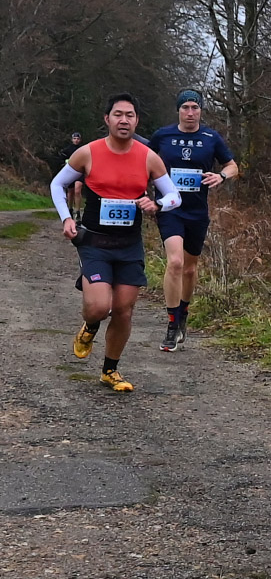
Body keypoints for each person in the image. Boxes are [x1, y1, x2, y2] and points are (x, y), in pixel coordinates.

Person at [50, 93, 181, 392]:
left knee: (123, 309)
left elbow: (175, 195)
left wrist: (157, 204)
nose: (124, 120)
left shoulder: (149, 157)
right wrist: (66, 218)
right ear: (107, 119)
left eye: (130, 115)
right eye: (118, 115)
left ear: (137, 121)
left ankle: (110, 370)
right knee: (99, 307)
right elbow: (58, 183)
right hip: (94, 242)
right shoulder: (88, 152)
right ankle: (90, 325)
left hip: (128, 244)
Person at [149, 89, 238, 351]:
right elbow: (142, 161)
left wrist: (221, 176)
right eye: (185, 107)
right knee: (175, 262)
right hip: (170, 208)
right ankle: (171, 325)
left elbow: (232, 165)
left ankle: (183, 315)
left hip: (197, 211)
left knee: (189, 268)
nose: (190, 112)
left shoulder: (211, 138)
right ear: (178, 110)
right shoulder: (163, 136)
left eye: (195, 107)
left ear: (200, 110)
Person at [59, 132, 83, 222]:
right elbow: (61, 159)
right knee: (70, 191)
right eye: (74, 138)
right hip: (71, 172)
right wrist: (65, 163)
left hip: (80, 172)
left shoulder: (82, 149)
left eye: (78, 139)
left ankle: (78, 211)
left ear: (80, 140)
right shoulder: (67, 150)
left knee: (77, 190)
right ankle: (70, 209)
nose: (76, 140)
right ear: (72, 139)